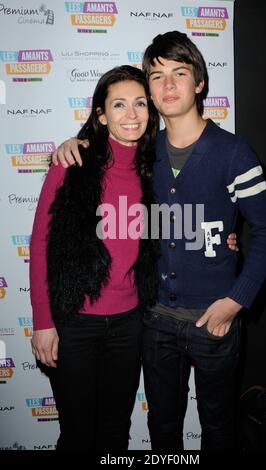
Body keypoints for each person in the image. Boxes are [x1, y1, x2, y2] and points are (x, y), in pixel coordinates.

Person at [51, 31, 266, 451]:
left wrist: (236, 299)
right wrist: (73, 143)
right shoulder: (142, 153)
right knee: (163, 432)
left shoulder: (234, 153)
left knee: (218, 428)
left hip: (215, 318)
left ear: (200, 82)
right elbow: (106, 163)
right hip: (154, 318)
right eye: (157, 76)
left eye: (180, 73)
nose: (168, 86)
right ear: (149, 89)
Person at [30, 65, 159, 451]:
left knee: (116, 431)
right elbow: (40, 245)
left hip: (129, 324)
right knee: (78, 435)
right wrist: (43, 322)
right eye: (119, 105)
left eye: (140, 103)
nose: (131, 114)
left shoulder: (156, 169)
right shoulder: (72, 165)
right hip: (74, 324)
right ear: (101, 115)